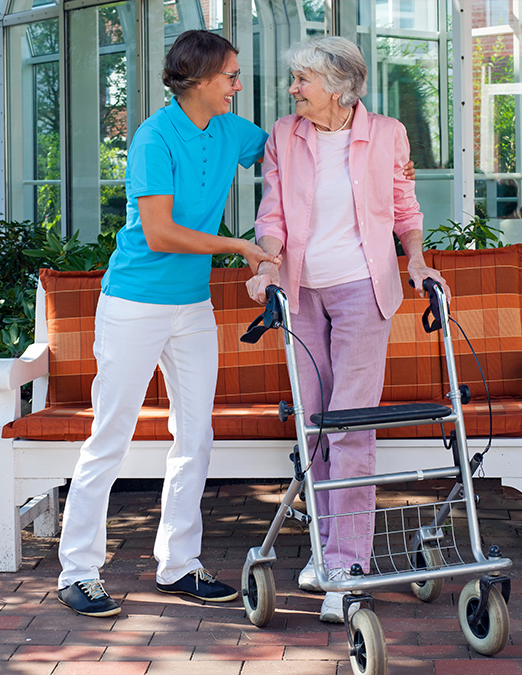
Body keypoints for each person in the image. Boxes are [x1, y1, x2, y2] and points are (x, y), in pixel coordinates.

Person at [56, 29, 281, 617]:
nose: (238, 85)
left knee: (195, 435)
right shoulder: (154, 137)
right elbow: (159, 233)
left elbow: (289, 147)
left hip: (192, 307)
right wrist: (238, 244)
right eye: (231, 76)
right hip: (135, 302)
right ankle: (78, 572)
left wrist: (377, 146)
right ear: (202, 81)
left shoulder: (231, 130)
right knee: (111, 434)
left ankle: (179, 566)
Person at [246, 36, 450, 624]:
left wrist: (415, 258)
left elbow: (405, 207)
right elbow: (273, 212)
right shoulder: (286, 134)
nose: (293, 90)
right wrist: (267, 264)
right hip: (302, 290)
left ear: (337, 86)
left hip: (365, 290)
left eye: (302, 80)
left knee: (352, 428)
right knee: (314, 425)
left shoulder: (387, 134)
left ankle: (347, 564)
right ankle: (323, 551)